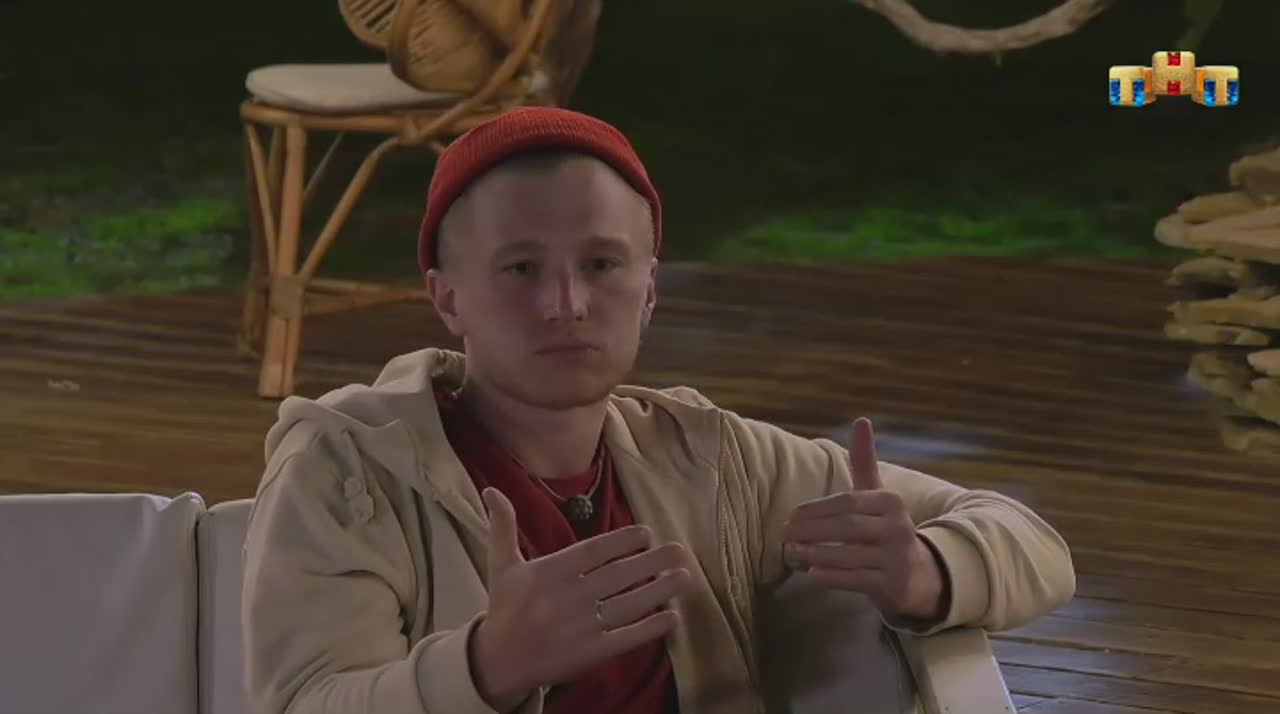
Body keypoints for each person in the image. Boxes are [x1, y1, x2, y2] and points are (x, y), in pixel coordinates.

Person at [240, 106, 1076, 714]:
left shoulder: (713, 458)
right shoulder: (350, 468)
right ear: (446, 295)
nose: (567, 304)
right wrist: (485, 666)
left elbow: (1032, 542)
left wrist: (924, 572)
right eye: (521, 269)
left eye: (602, 265)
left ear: (648, 292)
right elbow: (306, 702)